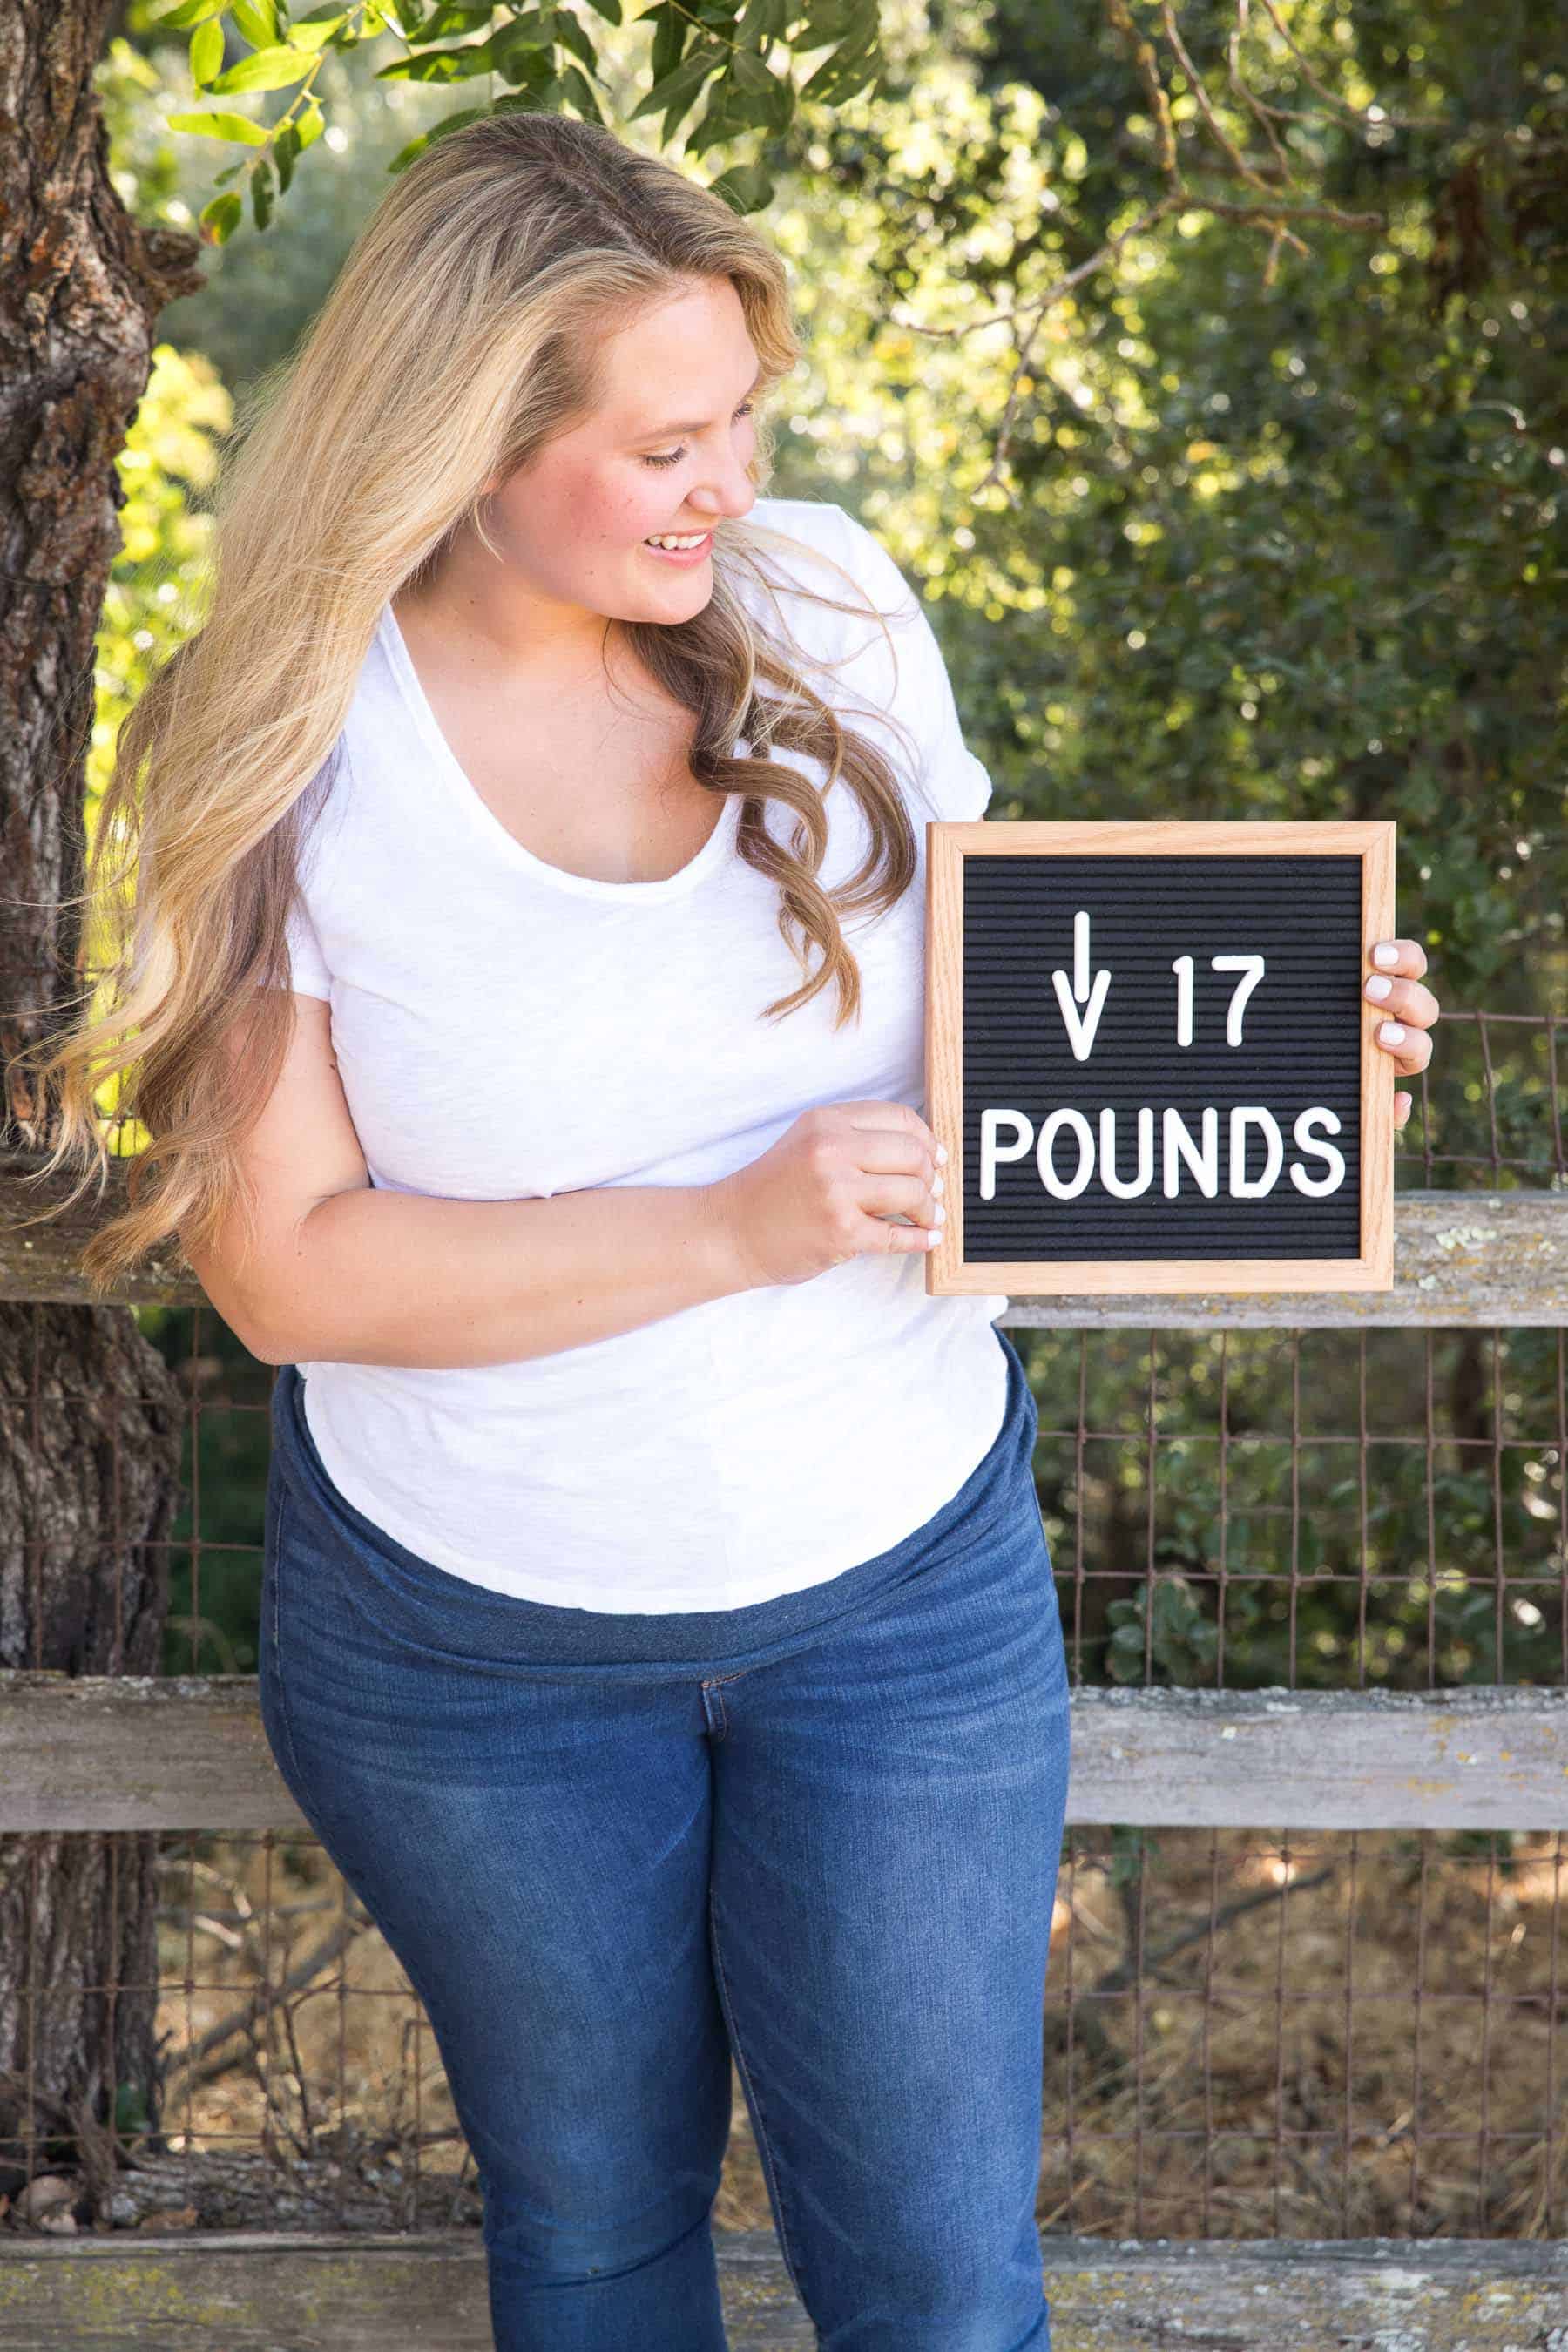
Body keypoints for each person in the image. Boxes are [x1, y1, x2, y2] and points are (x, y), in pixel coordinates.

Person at [12, 110, 1439, 2352]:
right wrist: (736, 1226)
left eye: (747, 419)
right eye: (670, 440)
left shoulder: (834, 606)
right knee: (591, 2237)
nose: (734, 487)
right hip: (473, 1658)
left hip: (900, 1594)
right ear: (471, 443)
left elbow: (1011, 1039)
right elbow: (286, 1271)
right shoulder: (286, 739)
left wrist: (1273, 1041)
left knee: (947, 2294)